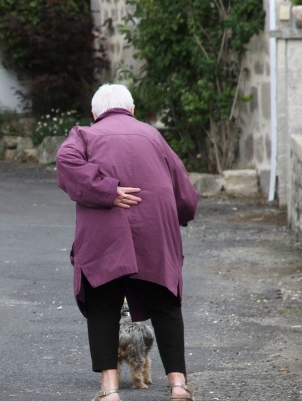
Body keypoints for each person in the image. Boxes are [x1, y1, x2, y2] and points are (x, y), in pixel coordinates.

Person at [56, 84, 199, 401]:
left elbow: (66, 163)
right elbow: (184, 189)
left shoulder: (84, 134)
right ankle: (178, 385)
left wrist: (106, 190)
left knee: (103, 305)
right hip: (154, 231)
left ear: (95, 113)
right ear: (131, 110)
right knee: (165, 303)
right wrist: (182, 212)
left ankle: (109, 391)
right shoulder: (153, 136)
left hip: (104, 235)